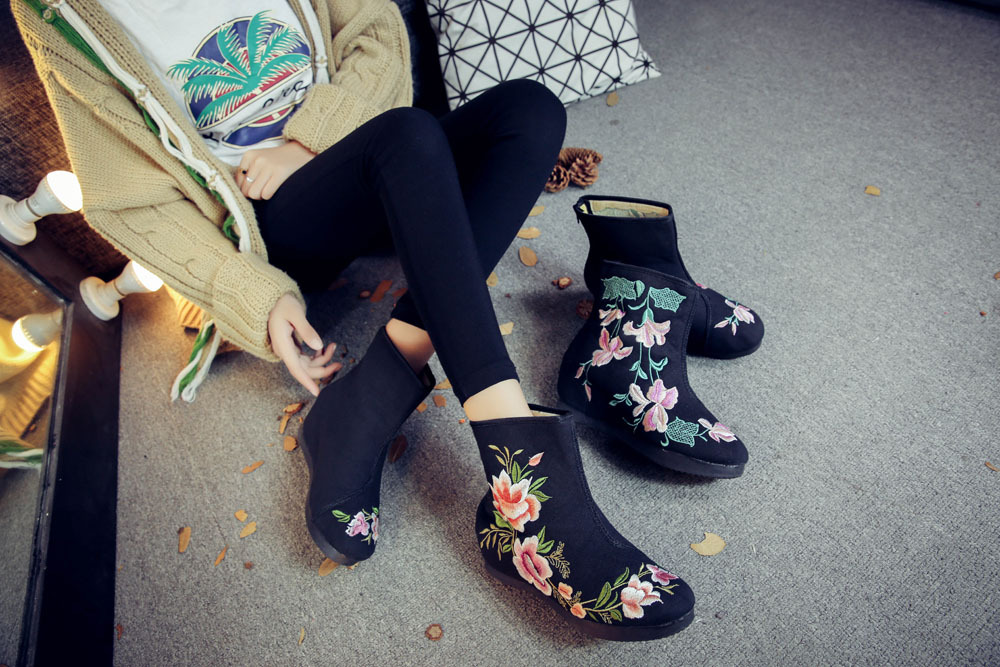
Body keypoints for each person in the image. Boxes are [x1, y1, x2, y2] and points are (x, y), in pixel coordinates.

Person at [13, 0, 699, 640]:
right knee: (407, 135)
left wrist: (307, 141)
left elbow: (373, 30)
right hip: (270, 222)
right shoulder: (59, 15)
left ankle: (370, 392)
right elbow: (131, 200)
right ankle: (521, 471)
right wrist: (255, 293)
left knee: (530, 109)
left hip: (364, 152)